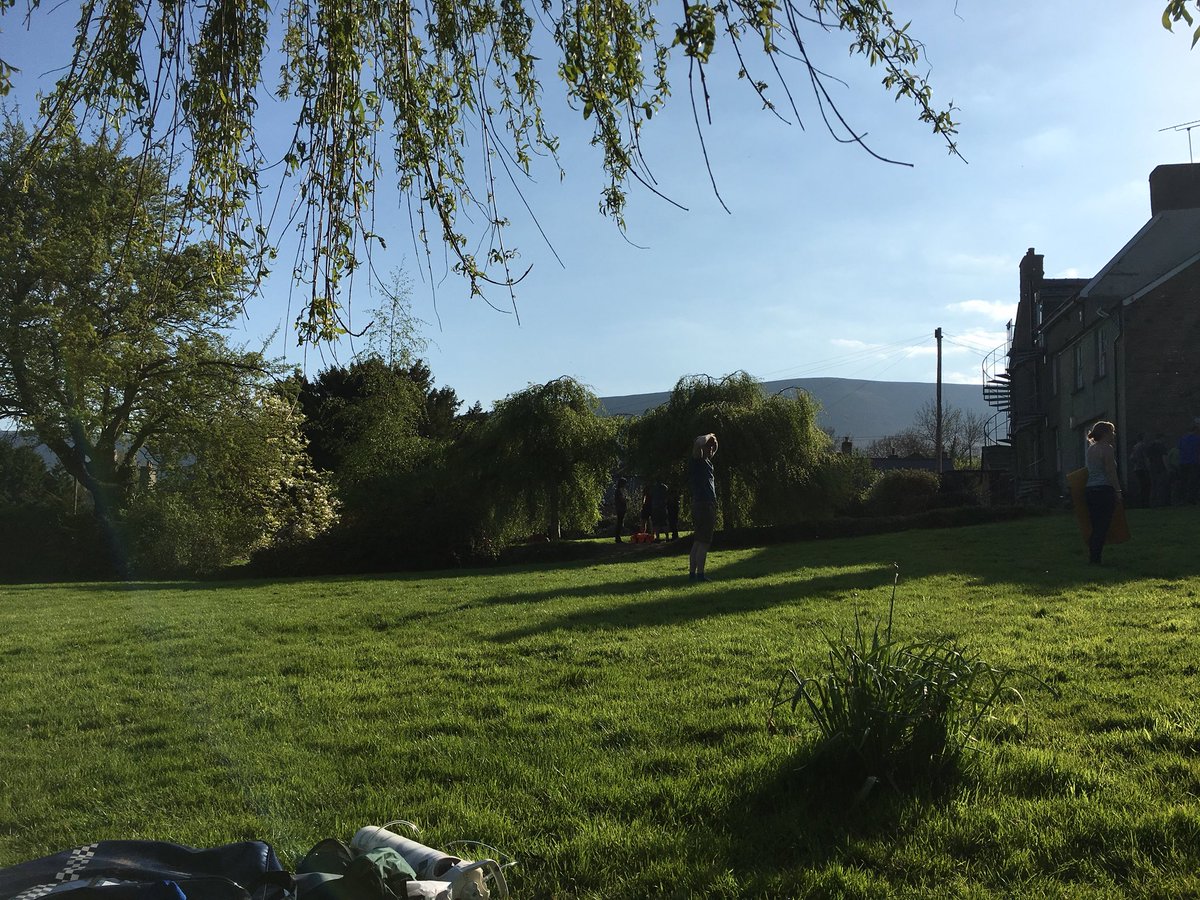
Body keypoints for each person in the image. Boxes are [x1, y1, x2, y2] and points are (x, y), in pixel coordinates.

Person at [1084, 421, 1123, 565]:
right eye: (1111, 431)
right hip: (1104, 489)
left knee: (1095, 525)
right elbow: (1110, 472)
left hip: (1090, 490)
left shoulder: (1090, 449)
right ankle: (1095, 559)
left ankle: (1093, 556)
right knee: (1103, 525)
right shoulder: (1107, 448)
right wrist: (1118, 490)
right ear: (1105, 433)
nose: (1113, 434)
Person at [688, 433, 718, 582]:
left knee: (698, 541)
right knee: (704, 542)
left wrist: (714, 443)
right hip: (705, 504)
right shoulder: (698, 461)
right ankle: (700, 575)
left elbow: (713, 448)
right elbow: (699, 441)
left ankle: (693, 575)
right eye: (709, 446)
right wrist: (709, 435)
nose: (711, 449)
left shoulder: (706, 463)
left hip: (702, 504)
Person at [1129, 434, 1150, 508]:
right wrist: (1148, 467)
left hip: (1137, 468)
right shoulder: (1143, 446)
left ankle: (1140, 503)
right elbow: (1145, 457)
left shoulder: (1135, 447)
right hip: (1143, 468)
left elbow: (1131, 458)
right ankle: (1145, 503)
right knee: (1145, 486)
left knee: (1141, 485)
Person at [613, 476, 628, 543]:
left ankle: (618, 537)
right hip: (620, 509)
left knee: (620, 522)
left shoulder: (621, 490)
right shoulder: (618, 491)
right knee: (619, 522)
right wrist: (626, 499)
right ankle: (617, 537)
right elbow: (622, 499)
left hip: (621, 508)